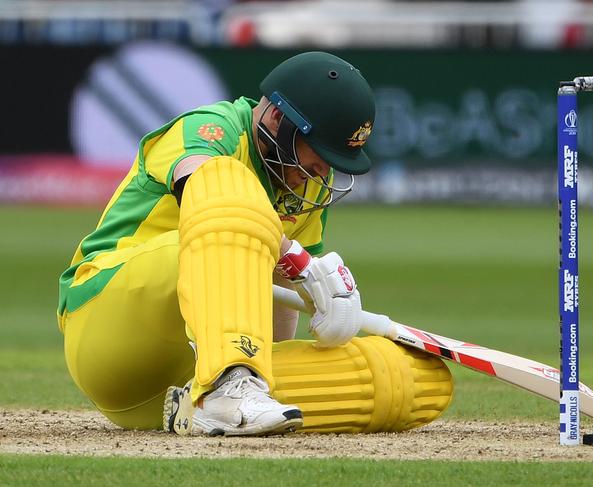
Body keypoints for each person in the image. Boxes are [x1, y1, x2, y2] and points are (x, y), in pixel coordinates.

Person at [57, 51, 453, 437]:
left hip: (176, 384)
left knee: (416, 378)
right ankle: (226, 382)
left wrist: (316, 317)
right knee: (229, 185)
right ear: (278, 118)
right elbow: (207, 188)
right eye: (320, 152)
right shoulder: (214, 129)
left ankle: (232, 392)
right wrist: (297, 261)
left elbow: (278, 295)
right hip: (111, 324)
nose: (323, 170)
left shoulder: (309, 181)